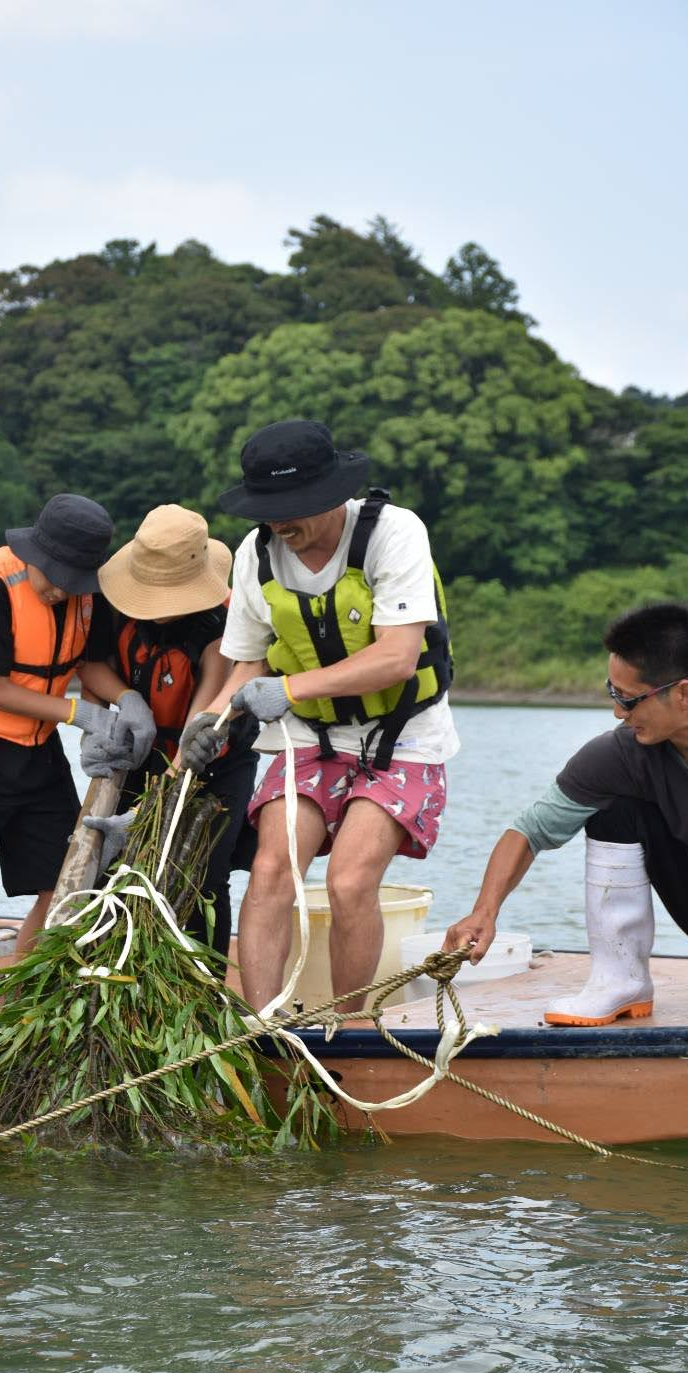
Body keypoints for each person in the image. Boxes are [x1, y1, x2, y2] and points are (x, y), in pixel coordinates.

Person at [179, 417, 459, 1017]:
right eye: (268, 511)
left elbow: (397, 656)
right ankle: (263, 1026)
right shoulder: (256, 554)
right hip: (309, 734)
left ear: (333, 494)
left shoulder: (394, 533)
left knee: (350, 881)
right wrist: (209, 723)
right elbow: (247, 666)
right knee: (270, 870)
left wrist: (290, 688)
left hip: (401, 736)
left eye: (291, 509)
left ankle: (348, 1028)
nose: (279, 525)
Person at [0, 493, 155, 988]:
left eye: (75, 581)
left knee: (63, 883)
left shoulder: (86, 594)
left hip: (38, 754)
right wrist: (81, 714)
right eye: (55, 577)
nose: (61, 591)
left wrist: (126, 697)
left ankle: (19, 1002)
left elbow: (89, 664)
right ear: (35, 553)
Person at [444, 601, 688, 1024]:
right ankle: (620, 982)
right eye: (612, 694)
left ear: (683, 694)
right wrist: (484, 912)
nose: (618, 713)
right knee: (614, 809)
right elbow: (529, 831)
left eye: (628, 700)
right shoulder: (623, 754)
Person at [81, 504, 259, 954]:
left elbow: (203, 719)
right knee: (114, 870)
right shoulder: (111, 602)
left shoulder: (222, 623)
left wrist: (151, 809)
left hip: (211, 759)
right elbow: (92, 666)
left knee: (204, 879)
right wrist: (122, 701)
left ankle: (204, 983)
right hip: (139, 754)